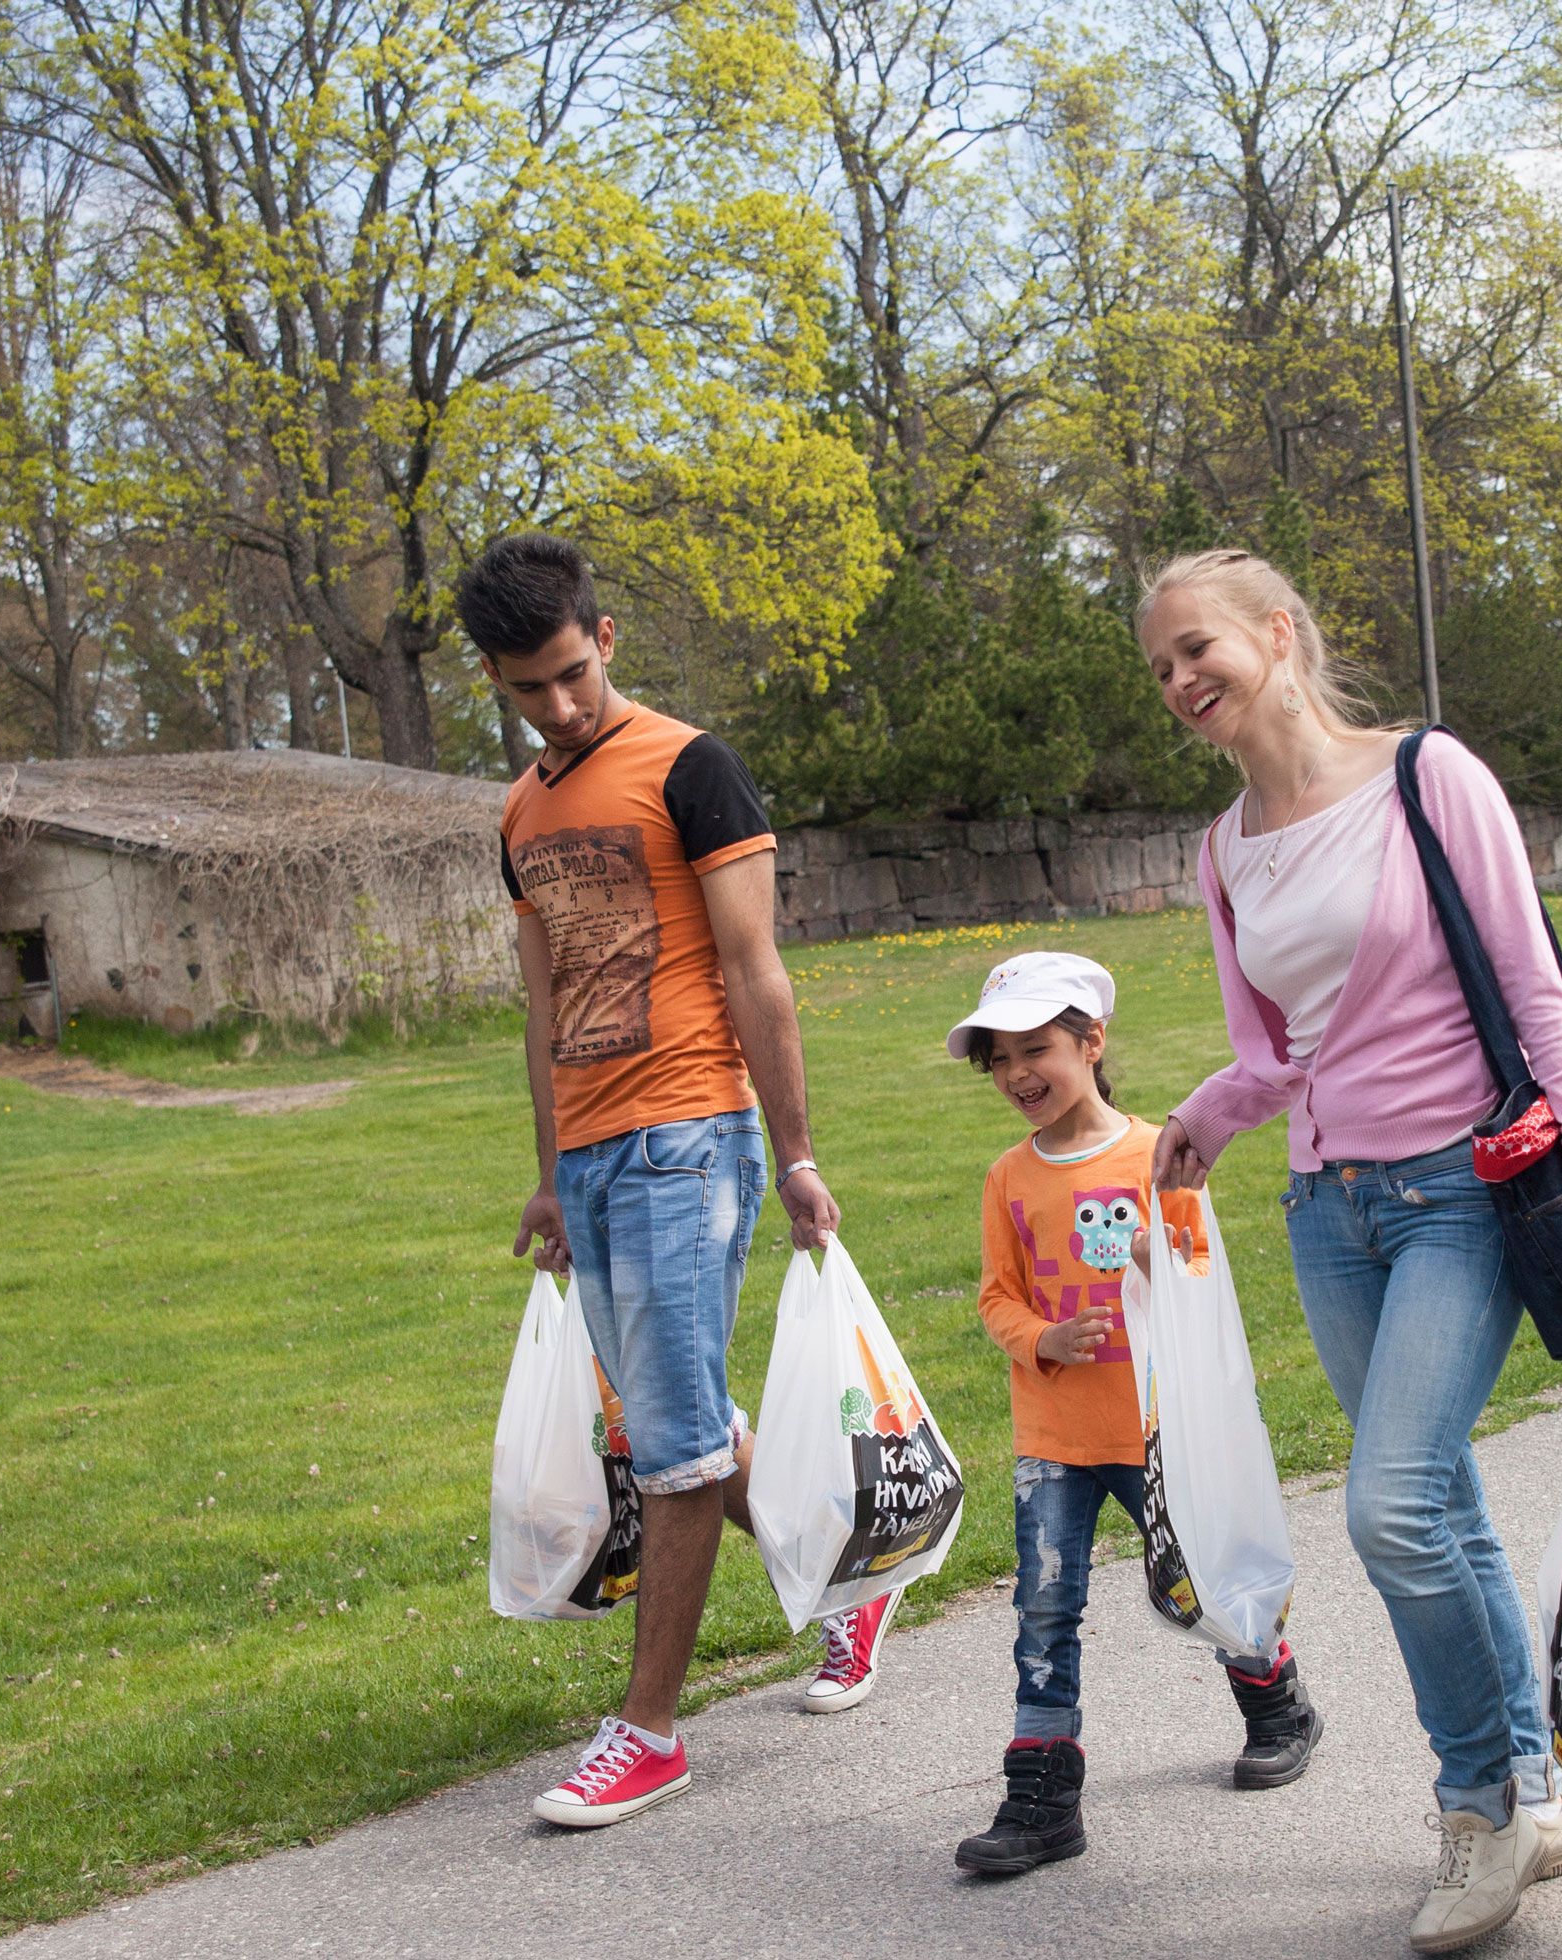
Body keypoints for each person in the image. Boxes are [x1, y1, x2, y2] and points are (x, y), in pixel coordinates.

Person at [1140, 549, 1562, 1954]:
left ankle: (1472, 1802)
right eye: (1160, 667)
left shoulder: (1427, 777)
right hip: (1329, 1211)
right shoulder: (1224, 847)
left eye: (1197, 648)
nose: (1180, 680)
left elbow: (1535, 988)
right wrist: (1205, 1116)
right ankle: (1531, 1792)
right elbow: (1275, 1052)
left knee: (1393, 1506)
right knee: (1443, 1503)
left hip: (1460, 1193)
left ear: (1275, 632)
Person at [461, 534, 876, 1832]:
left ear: (606, 638)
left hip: (688, 1136)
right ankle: (847, 1578)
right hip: (592, 1158)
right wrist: (547, 1176)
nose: (558, 704)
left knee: (673, 1449)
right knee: (672, 1415)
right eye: (527, 688)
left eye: (573, 673)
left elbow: (757, 970)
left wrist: (794, 1152)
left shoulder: (692, 766)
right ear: (494, 679)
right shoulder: (519, 815)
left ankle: (646, 1732)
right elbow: (542, 1009)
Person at [948, 950, 1327, 1876]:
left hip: (1157, 1433)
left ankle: (1276, 1701)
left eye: (1036, 1049)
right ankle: (1042, 1796)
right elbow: (997, 1297)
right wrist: (1043, 1337)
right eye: (1000, 1059)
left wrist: (1166, 1261)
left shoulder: (1160, 1153)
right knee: (1044, 1606)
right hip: (1053, 1438)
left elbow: (1203, 1272)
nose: (1017, 1074)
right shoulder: (1007, 1178)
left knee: (1201, 1574)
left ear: (1092, 1041)